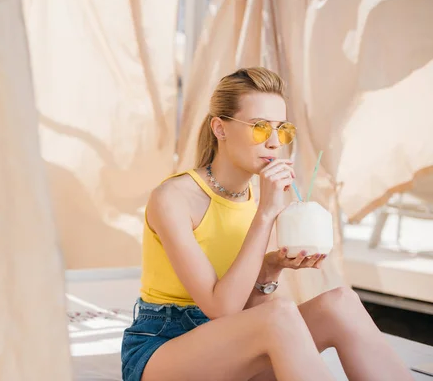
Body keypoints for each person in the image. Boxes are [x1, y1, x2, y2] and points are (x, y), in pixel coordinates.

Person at [120, 67, 413, 381]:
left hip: (227, 345)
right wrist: (266, 215)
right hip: (163, 347)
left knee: (341, 302)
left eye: (282, 129)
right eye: (260, 127)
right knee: (280, 313)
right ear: (220, 128)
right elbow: (221, 309)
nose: (275, 142)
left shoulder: (256, 198)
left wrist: (272, 266)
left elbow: (248, 313)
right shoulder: (173, 198)